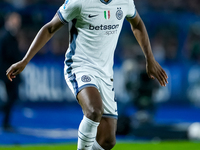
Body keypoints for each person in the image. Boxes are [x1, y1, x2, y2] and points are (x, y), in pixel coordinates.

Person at [6, 0, 168, 149]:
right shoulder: (79, 2)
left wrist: (150, 59)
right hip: (79, 66)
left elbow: (137, 23)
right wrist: (25, 60)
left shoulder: (124, 1)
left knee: (108, 141)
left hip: (105, 74)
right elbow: (49, 28)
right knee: (94, 111)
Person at [0, 12, 22, 131]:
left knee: (12, 97)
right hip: (7, 73)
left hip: (11, 73)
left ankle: (6, 122)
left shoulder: (11, 36)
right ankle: (6, 123)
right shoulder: (6, 36)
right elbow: (7, 56)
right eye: (15, 20)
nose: (17, 23)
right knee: (10, 97)